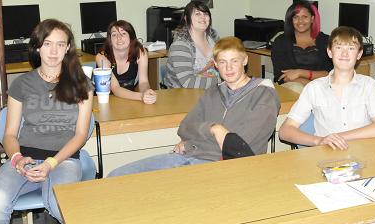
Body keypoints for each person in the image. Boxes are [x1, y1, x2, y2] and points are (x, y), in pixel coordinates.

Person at [0, 19, 93, 224]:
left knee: (59, 205)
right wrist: (18, 159)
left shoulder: (81, 83)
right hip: (26, 157)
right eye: (47, 44)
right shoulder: (22, 84)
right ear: (37, 48)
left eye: (60, 45)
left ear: (67, 49)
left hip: (64, 159)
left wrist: (52, 163)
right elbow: (10, 134)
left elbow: (81, 134)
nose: (53, 51)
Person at [108, 37, 280, 177]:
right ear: (215, 64)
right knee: (116, 176)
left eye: (234, 61)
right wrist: (214, 128)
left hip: (225, 168)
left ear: (245, 60)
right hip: (189, 158)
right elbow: (185, 127)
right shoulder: (213, 92)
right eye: (222, 62)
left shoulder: (263, 95)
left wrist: (192, 143)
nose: (228, 68)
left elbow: (238, 145)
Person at [279, 26, 375, 150]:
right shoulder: (314, 88)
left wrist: (337, 137)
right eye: (338, 47)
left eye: (351, 48)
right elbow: (285, 131)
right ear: (329, 52)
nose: (344, 54)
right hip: (326, 156)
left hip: (362, 156)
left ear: (359, 54)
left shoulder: (368, 85)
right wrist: (320, 140)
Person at [271, 1, 333, 93]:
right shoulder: (280, 42)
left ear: (312, 19)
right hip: (294, 87)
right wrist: (314, 90)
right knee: (297, 88)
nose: (300, 21)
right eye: (296, 17)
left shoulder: (325, 41)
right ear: (290, 20)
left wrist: (300, 72)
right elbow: (284, 77)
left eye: (305, 17)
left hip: (322, 86)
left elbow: (329, 74)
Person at [96, 20, 157, 104]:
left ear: (131, 37)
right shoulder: (102, 57)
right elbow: (115, 88)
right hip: (106, 102)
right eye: (114, 34)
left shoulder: (140, 52)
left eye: (123, 33)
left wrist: (147, 93)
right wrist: (141, 96)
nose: (119, 37)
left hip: (130, 100)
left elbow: (143, 82)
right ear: (110, 40)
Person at [162, 1, 220, 89]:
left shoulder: (214, 38)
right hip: (181, 94)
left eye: (206, 14)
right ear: (186, 18)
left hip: (211, 91)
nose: (203, 17)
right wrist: (224, 80)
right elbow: (188, 82)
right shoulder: (180, 45)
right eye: (197, 14)